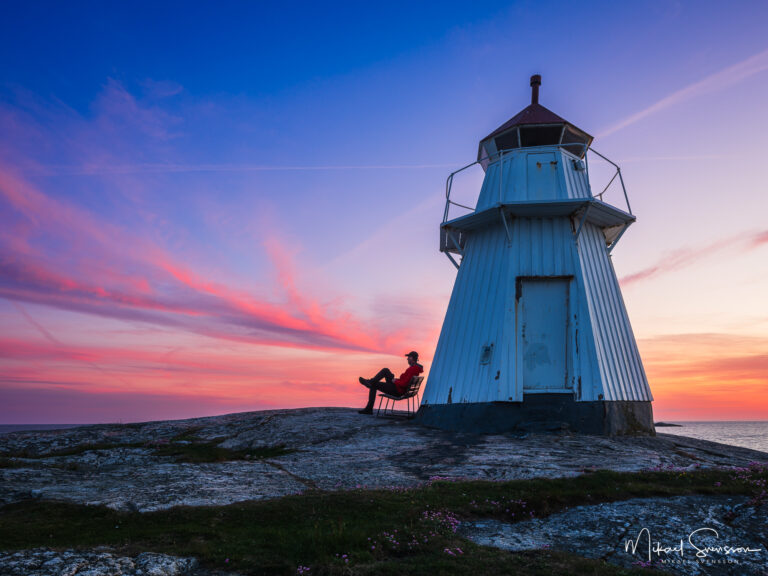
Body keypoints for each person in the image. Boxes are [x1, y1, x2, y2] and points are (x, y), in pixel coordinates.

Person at [357, 351, 423, 414]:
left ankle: (369, 408)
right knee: (385, 370)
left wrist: (396, 381)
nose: (407, 359)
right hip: (398, 387)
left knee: (374, 384)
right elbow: (405, 381)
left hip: (397, 390)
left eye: (409, 357)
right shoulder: (415, 368)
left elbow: (405, 384)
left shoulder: (413, 369)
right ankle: (370, 382)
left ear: (412, 358)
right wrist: (396, 380)